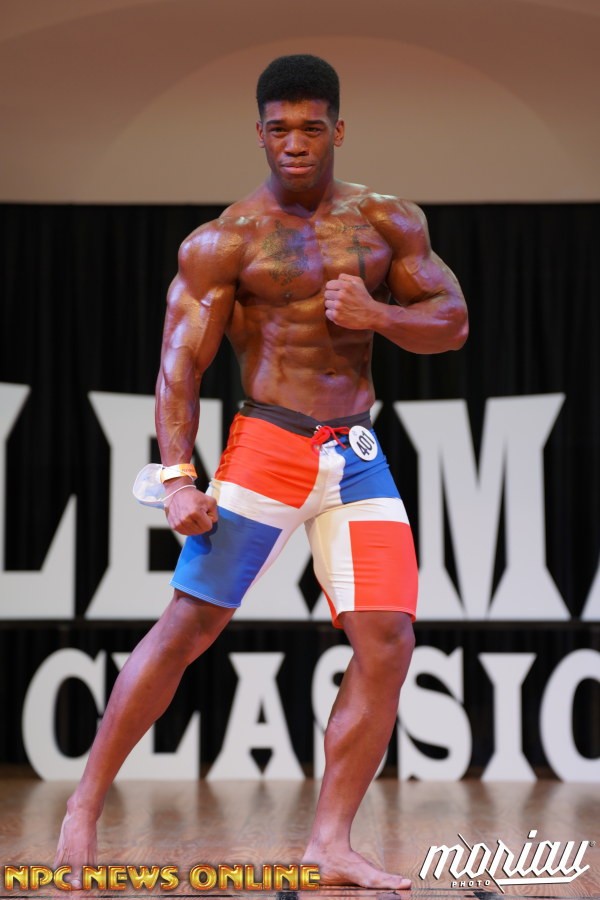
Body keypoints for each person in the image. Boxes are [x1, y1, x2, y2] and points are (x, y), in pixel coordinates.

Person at [55, 54, 468, 890]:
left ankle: (330, 842)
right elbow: (180, 364)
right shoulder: (226, 241)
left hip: (355, 454)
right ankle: (85, 803)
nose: (296, 143)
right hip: (269, 445)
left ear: (338, 129)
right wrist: (178, 477)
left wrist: (377, 314)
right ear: (260, 133)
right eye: (280, 129)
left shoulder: (388, 221)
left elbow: (452, 321)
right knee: (189, 626)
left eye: (311, 127)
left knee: (388, 641)